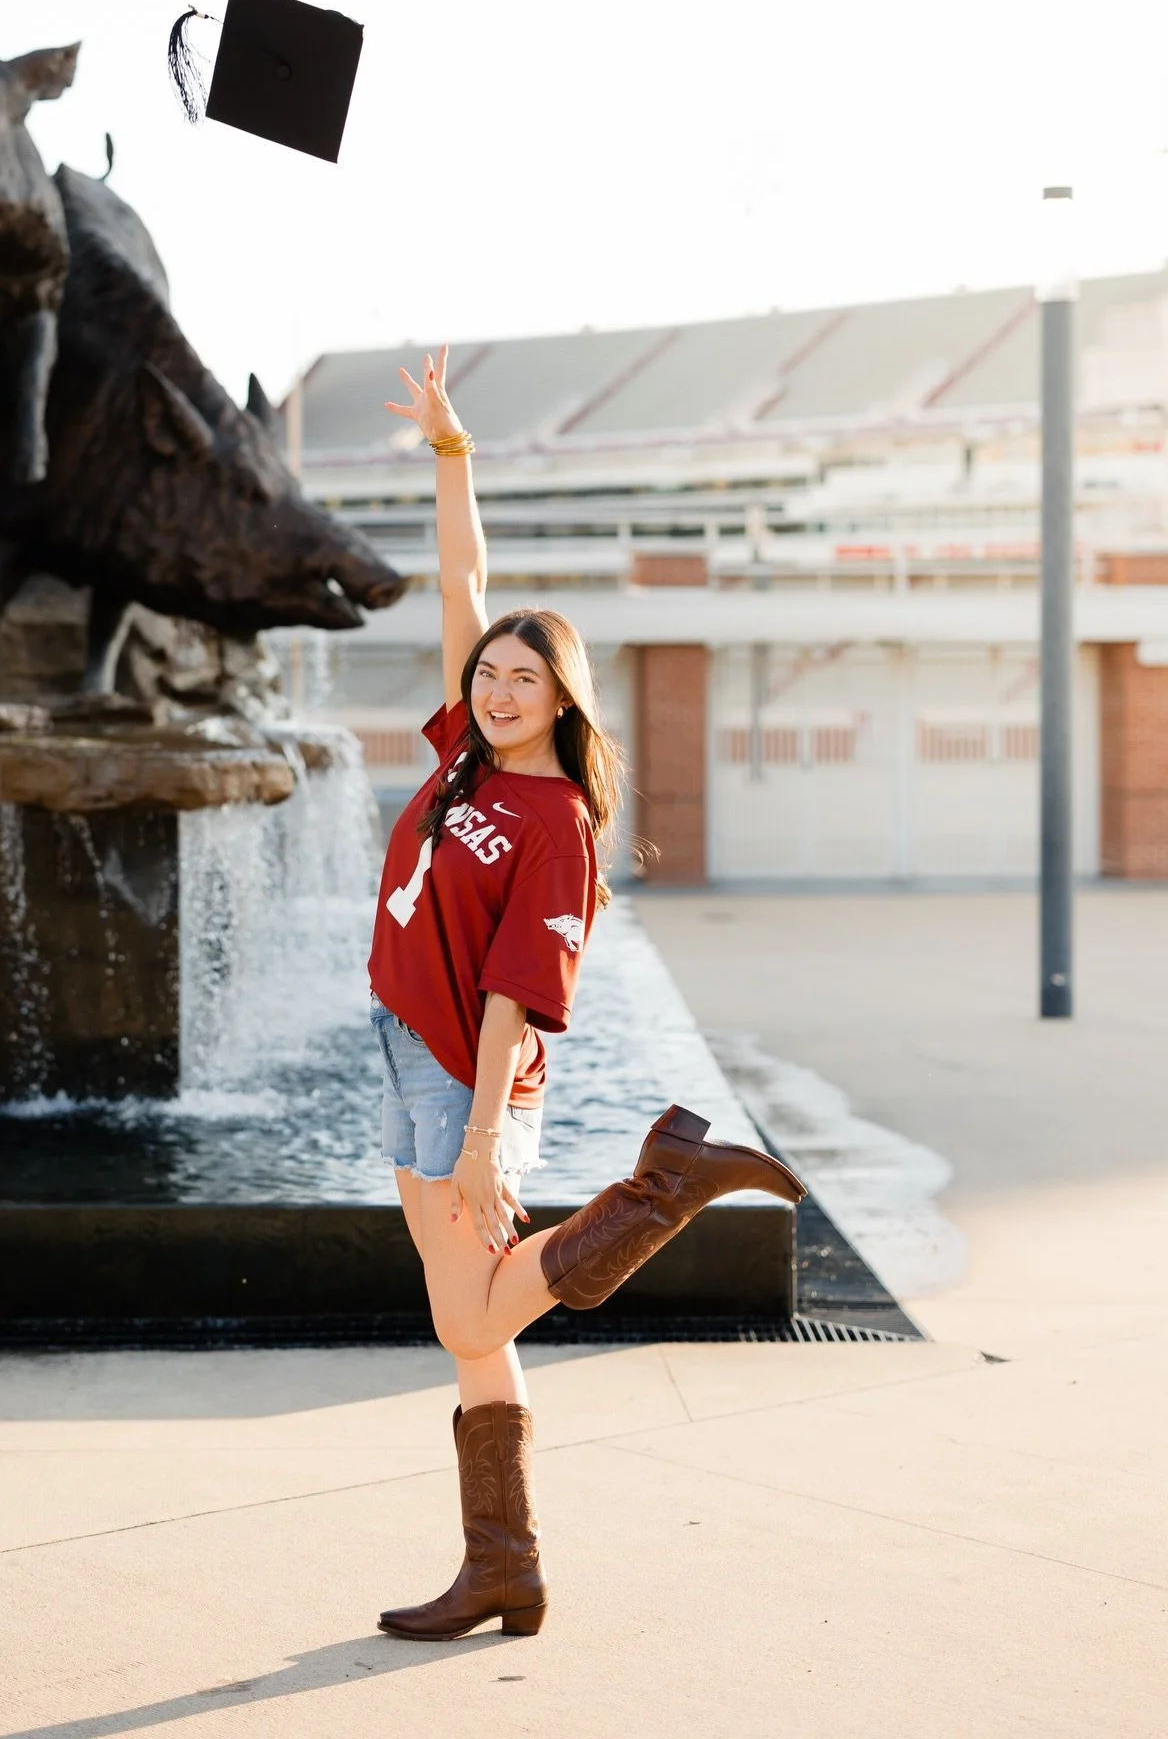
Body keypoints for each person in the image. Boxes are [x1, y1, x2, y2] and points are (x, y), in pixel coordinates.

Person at [369, 349, 805, 1642]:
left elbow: (518, 989)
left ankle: (665, 1187)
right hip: (405, 1046)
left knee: (468, 1309)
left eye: (525, 679)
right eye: (489, 674)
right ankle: (503, 1569)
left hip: (464, 1071)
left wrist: (483, 1137)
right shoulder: (467, 755)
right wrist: (452, 455)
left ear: (564, 696)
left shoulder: (556, 819)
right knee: (471, 1333)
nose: (498, 690)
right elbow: (464, 584)